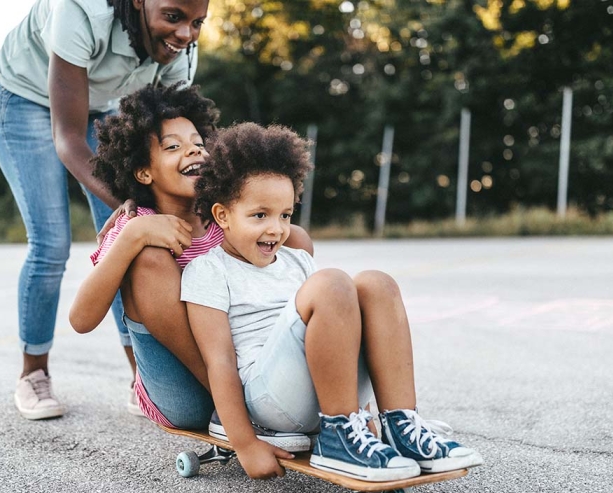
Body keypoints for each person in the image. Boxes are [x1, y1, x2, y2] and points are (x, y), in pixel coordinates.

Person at [181, 122, 485, 481]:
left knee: (377, 284)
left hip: (321, 392)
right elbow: (219, 363)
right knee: (333, 284)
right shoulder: (209, 270)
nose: (276, 229)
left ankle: (399, 424)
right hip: (266, 401)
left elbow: (335, 338)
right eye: (260, 215)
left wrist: (366, 410)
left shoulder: (297, 261)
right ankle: (338, 438)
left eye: (285, 215)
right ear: (222, 216)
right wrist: (245, 444)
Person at [0, 0, 209, 420]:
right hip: (25, 97)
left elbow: (174, 134)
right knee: (51, 242)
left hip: (104, 107)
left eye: (197, 22)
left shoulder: (181, 49)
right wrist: (140, 212)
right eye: (174, 17)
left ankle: (141, 378)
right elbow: (68, 139)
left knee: (131, 237)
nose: (186, 33)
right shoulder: (80, 10)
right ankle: (33, 374)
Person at [68, 84, 312, 439]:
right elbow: (81, 320)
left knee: (296, 240)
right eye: (173, 146)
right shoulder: (134, 226)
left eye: (198, 142)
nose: (194, 149)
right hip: (183, 389)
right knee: (149, 258)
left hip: (239, 361)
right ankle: (244, 410)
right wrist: (133, 236)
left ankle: (277, 387)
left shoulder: (224, 217)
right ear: (143, 172)